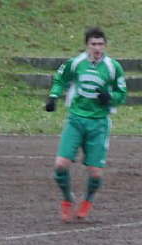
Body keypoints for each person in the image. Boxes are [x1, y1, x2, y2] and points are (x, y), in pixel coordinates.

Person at [45, 27, 127, 222]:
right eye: (93, 44)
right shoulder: (75, 63)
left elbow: (121, 93)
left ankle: (87, 200)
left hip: (99, 123)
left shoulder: (113, 67)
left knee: (96, 173)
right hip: (75, 119)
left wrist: (110, 97)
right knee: (60, 165)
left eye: (100, 44)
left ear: (105, 45)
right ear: (87, 45)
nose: (97, 48)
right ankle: (67, 200)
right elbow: (60, 79)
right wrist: (53, 97)